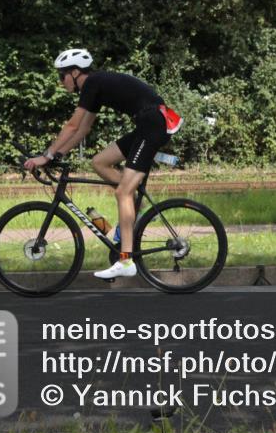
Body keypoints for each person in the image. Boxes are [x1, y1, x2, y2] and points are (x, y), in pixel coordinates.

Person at [23, 49, 180, 279]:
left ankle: (126, 261)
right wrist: (59, 154)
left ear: (75, 73)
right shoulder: (95, 88)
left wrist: (46, 156)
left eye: (62, 76)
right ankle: (138, 205)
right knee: (99, 162)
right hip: (148, 124)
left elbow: (71, 126)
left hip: (153, 123)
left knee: (122, 192)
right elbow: (82, 130)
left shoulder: (92, 83)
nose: (61, 82)